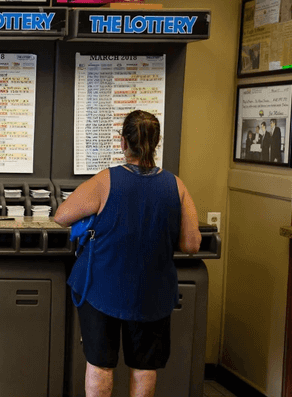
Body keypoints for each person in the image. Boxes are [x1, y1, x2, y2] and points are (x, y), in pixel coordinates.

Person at [53, 110, 201, 397]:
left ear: (123, 143)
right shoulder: (177, 186)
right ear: (156, 143)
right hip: (151, 292)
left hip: (102, 289)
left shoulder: (105, 181)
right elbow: (192, 244)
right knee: (144, 365)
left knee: (100, 364)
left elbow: (62, 216)